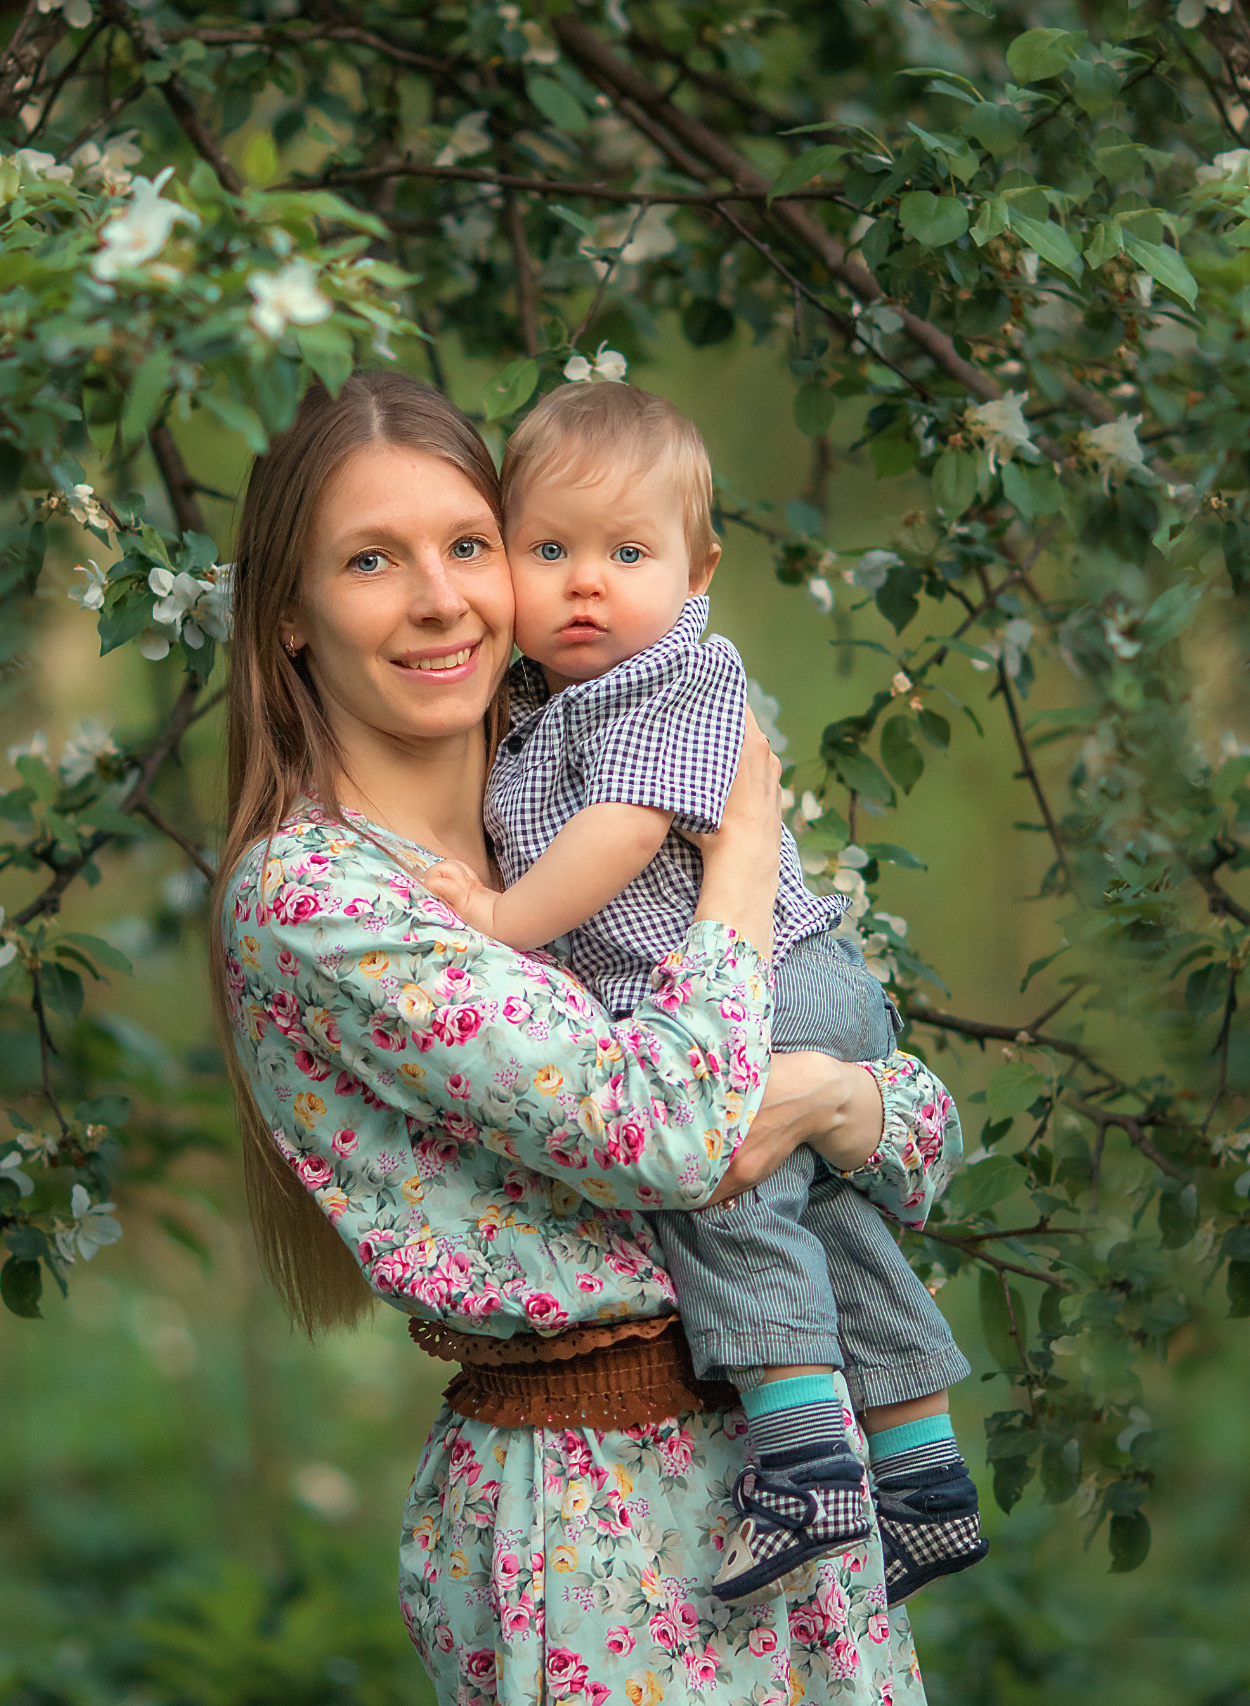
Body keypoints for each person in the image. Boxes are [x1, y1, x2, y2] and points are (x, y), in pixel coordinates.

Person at [209, 371, 968, 1704]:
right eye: (371, 560)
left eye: (467, 545)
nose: (439, 598)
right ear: (289, 610)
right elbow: (673, 1134)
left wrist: (832, 1104)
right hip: (602, 1520)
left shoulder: (573, 787)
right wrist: (742, 850)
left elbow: (917, 1136)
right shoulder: (319, 898)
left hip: (803, 1482)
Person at [415, 380, 986, 1605]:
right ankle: (925, 1470)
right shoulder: (542, 700)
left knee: (716, 1181)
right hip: (761, 989)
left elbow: (622, 832)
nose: (585, 583)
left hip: (777, 983)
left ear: (699, 569)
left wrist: (503, 920)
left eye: (627, 554)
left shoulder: (672, 676)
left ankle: (805, 1458)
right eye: (549, 550)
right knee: (828, 1217)